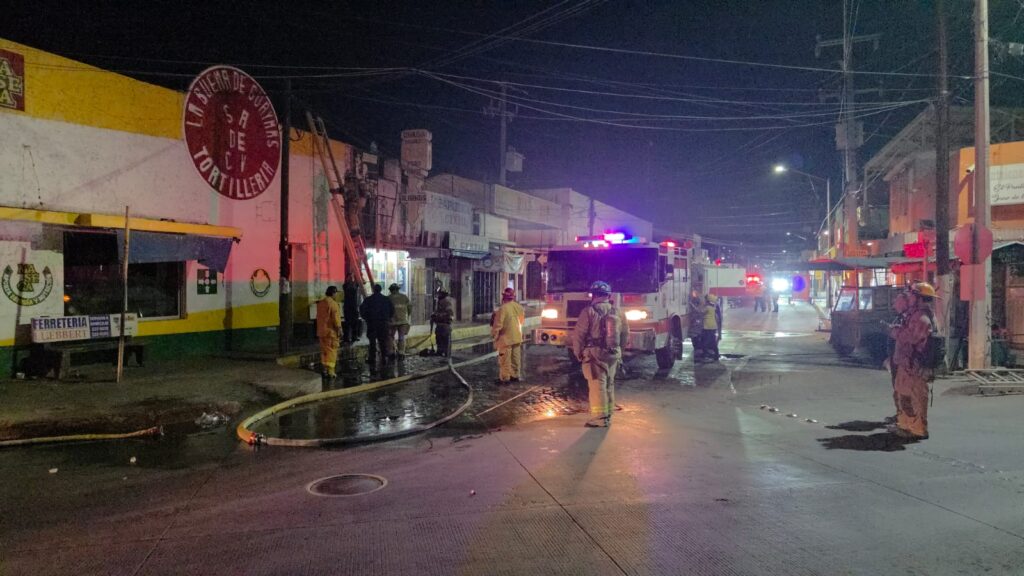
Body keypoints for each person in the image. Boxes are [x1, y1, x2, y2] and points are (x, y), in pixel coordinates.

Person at [572, 280, 629, 428]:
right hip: (613, 353)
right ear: (608, 295)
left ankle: (599, 418)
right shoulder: (618, 311)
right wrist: (619, 352)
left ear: (593, 295)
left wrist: (578, 352)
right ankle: (608, 414)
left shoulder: (588, 312)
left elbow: (579, 335)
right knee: (609, 383)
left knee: (598, 386)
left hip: (594, 354)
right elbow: (625, 334)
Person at [892, 282, 937, 440]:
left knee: (917, 397)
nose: (908, 298)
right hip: (906, 363)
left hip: (916, 365)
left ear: (919, 298)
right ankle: (906, 425)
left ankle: (918, 429)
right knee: (902, 394)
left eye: (911, 295)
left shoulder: (922, 318)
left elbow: (911, 338)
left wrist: (896, 332)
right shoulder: (914, 315)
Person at [885, 292, 911, 424]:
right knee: (898, 389)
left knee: (904, 390)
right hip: (897, 358)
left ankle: (907, 419)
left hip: (906, 360)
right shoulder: (901, 316)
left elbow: (909, 337)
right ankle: (901, 415)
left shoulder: (912, 317)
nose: (895, 304)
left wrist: (895, 331)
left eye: (897, 301)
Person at [492, 287, 526, 384]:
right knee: (515, 358)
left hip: (505, 338)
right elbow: (521, 321)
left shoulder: (503, 309)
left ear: (504, 297)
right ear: (513, 297)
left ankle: (505, 378)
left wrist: (494, 334)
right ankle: (515, 375)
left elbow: (498, 325)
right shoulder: (519, 307)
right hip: (517, 337)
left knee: (505, 359)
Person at [359, 283, 394, 367]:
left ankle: (372, 358)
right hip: (383, 324)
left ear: (373, 290)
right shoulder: (386, 299)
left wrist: (366, 318)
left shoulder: (368, 300)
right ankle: (384, 357)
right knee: (382, 341)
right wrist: (387, 318)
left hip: (372, 323)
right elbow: (392, 310)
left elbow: (362, 310)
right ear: (380, 290)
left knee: (372, 342)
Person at [315, 286, 341, 384]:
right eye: (336, 293)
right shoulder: (333, 304)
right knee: (331, 351)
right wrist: (339, 330)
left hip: (321, 331)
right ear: (333, 293)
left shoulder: (321, 303)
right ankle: (331, 371)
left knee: (324, 351)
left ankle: (324, 370)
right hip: (331, 332)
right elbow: (336, 319)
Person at [388, 283, 412, 357]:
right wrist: (407, 315)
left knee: (391, 337)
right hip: (403, 321)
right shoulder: (404, 297)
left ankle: (391, 352)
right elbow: (410, 307)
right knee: (401, 337)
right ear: (398, 289)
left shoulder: (388, 298)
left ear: (391, 290)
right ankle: (401, 353)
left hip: (392, 322)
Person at [432, 289, 454, 357]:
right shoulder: (440, 302)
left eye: (439, 294)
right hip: (440, 325)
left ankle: (446, 354)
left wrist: (438, 316)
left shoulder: (446, 302)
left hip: (445, 325)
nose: (438, 295)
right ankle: (440, 352)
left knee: (445, 341)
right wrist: (434, 316)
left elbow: (449, 314)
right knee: (439, 339)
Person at [702, 293, 723, 361]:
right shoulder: (713, 307)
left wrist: (693, 306)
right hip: (713, 326)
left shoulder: (707, 307)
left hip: (708, 326)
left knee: (705, 342)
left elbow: (700, 312)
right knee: (713, 342)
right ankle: (716, 355)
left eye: (705, 299)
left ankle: (706, 355)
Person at [341, 274, 361, 344]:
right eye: (349, 277)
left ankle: (354, 337)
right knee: (347, 323)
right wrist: (352, 280)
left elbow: (363, 281)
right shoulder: (345, 285)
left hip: (354, 307)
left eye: (352, 277)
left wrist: (357, 276)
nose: (351, 278)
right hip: (347, 307)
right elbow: (349, 288)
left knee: (355, 323)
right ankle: (346, 338)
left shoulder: (355, 284)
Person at [688, 290, 706, 362]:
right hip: (696, 328)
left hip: (698, 329)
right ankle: (698, 354)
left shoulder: (702, 308)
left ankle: (699, 355)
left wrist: (691, 304)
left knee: (697, 340)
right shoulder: (701, 304)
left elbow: (699, 311)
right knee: (695, 339)